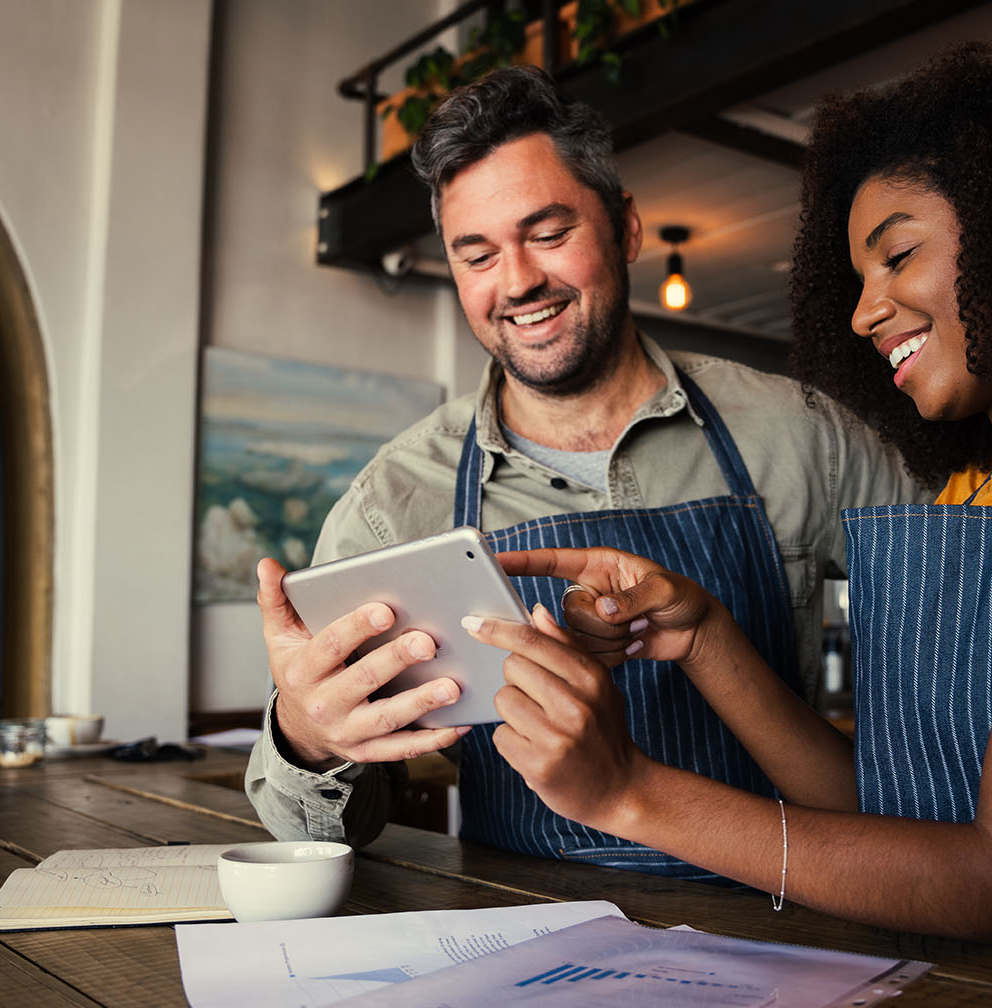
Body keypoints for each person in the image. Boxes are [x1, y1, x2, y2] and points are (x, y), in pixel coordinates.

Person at [463, 44, 992, 949]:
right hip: (965, 983)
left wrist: (628, 794)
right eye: (858, 279)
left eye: (897, 256)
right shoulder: (983, 489)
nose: (864, 312)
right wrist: (703, 637)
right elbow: (887, 820)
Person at [244, 65, 927, 879]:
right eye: (478, 254)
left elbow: (964, 665)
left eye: (548, 232)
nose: (519, 281)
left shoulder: (801, 434)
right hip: (519, 936)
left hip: (796, 917)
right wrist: (308, 737)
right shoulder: (396, 503)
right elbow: (325, 836)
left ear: (626, 228)